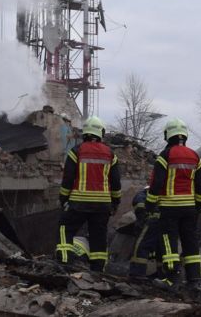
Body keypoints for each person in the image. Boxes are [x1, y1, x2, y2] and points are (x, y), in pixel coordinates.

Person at [145, 118, 201, 290]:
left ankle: (172, 280)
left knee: (169, 243)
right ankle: (195, 280)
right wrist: (198, 205)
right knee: (191, 243)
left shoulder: (165, 156)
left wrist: (149, 204)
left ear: (167, 135)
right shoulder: (195, 157)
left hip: (169, 208)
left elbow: (157, 183)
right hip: (189, 209)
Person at [56, 116, 121, 272]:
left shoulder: (76, 151)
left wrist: (63, 198)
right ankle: (98, 271)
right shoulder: (111, 154)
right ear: (100, 133)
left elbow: (68, 179)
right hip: (102, 206)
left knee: (66, 229)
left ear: (85, 133)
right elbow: (116, 182)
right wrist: (115, 202)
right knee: (98, 236)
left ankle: (65, 263)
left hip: (78, 203)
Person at [129, 186, 163, 279]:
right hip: (166, 224)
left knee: (141, 246)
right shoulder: (167, 192)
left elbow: (140, 209)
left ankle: (137, 273)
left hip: (150, 223)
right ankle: (163, 275)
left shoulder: (141, 195)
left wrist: (143, 221)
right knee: (162, 250)